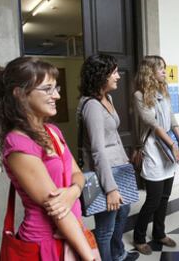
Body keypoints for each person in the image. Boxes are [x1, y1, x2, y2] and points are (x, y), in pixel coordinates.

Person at [0, 57, 95, 260]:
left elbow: (78, 174)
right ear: (20, 94)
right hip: (46, 242)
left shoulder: (52, 131)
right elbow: (57, 211)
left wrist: (72, 192)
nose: (57, 95)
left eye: (55, 88)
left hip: (73, 231)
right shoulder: (18, 142)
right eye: (47, 89)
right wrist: (90, 258)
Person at [78, 54, 139, 261]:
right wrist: (111, 189)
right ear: (100, 75)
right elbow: (98, 150)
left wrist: (125, 160)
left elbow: (113, 136)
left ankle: (118, 252)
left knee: (123, 211)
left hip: (118, 167)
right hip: (104, 173)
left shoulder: (107, 98)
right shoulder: (92, 106)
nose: (118, 76)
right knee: (105, 228)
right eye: (113, 72)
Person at [132, 55, 179, 255]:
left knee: (165, 196)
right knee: (153, 199)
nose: (165, 71)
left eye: (164, 68)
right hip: (154, 149)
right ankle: (138, 237)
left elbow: (172, 119)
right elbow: (153, 124)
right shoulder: (140, 95)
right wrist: (172, 144)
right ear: (150, 72)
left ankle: (159, 233)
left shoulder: (163, 91)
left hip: (168, 146)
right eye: (161, 68)